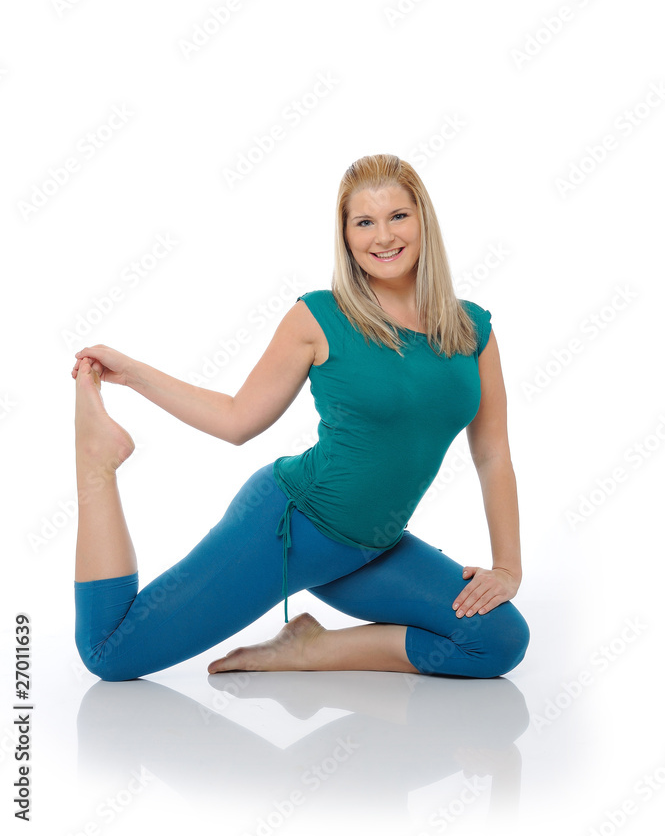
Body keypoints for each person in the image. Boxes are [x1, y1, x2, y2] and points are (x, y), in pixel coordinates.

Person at [71, 153, 530, 683]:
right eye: (364, 222)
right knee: (111, 654)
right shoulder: (320, 316)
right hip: (290, 529)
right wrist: (131, 373)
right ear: (346, 235)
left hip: (372, 547)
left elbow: (493, 455)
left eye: (398, 216)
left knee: (497, 640)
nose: (383, 236)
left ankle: (308, 648)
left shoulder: (472, 329)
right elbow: (237, 419)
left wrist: (508, 568)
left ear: (423, 219)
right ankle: (95, 462)